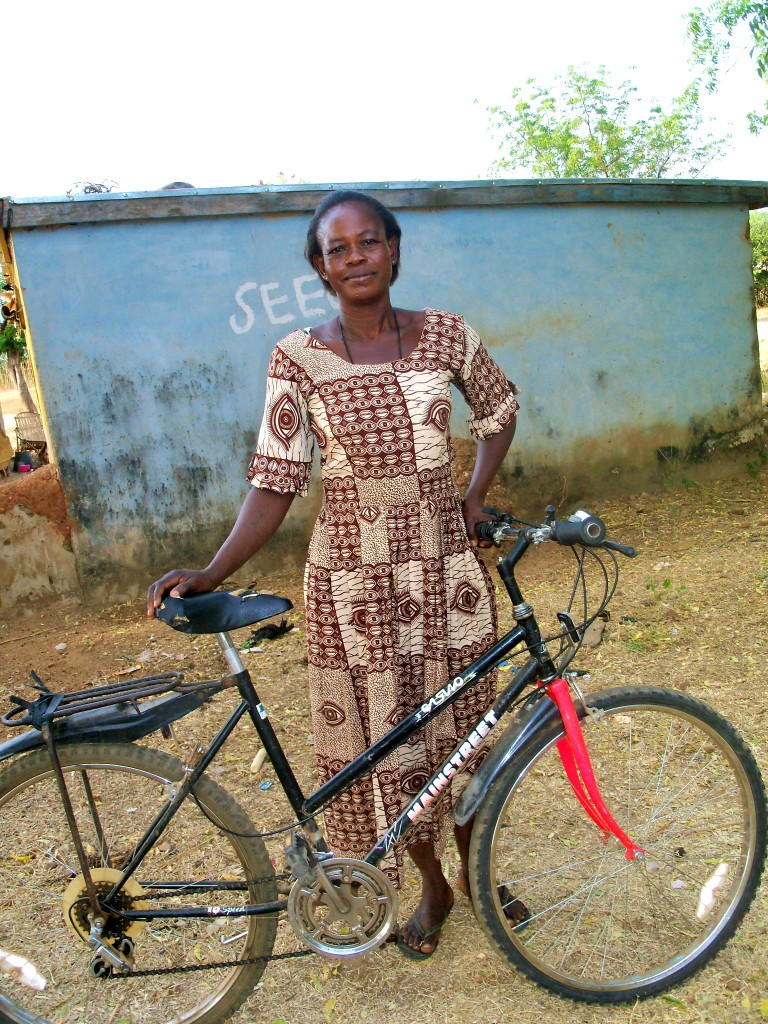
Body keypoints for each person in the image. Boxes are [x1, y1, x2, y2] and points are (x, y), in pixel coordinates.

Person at [147, 190, 520, 958]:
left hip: (443, 569)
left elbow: (499, 406)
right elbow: (276, 479)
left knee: (463, 732)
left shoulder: (447, 335)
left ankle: (479, 872)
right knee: (389, 746)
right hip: (354, 586)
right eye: (338, 249)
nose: (356, 257)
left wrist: (474, 493)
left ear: (394, 248)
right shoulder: (297, 357)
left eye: (368, 241)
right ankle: (432, 885)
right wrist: (215, 569)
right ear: (321, 267)